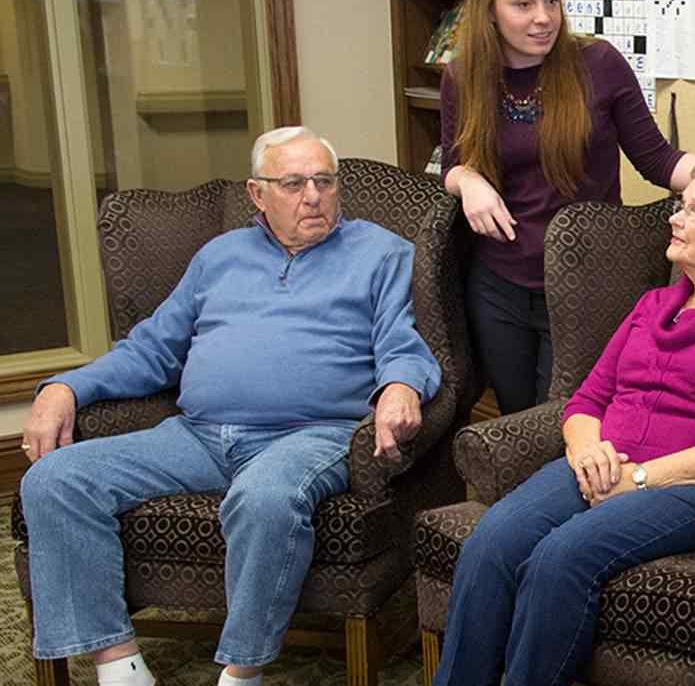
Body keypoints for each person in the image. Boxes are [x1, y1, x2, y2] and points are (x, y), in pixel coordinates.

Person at [19, 127, 442, 686]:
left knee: (264, 495)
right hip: (197, 434)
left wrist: (401, 387)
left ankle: (242, 671)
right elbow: (150, 351)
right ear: (257, 194)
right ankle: (119, 665)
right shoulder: (219, 257)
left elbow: (403, 345)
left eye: (324, 181)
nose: (312, 196)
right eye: (293, 183)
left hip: (311, 435)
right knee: (55, 479)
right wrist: (64, 388)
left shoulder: (383, 253)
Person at [434, 151, 695, 686]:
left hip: (686, 486)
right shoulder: (652, 304)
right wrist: (587, 452)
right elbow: (587, 398)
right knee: (492, 540)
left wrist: (638, 479)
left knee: (559, 559)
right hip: (600, 463)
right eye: (680, 205)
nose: (675, 218)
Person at [439, 0, 695, 415]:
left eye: (552, 1)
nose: (544, 17)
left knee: (566, 422)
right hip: (499, 285)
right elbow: (453, 164)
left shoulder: (598, 64)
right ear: (489, 10)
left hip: (588, 283)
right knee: (517, 424)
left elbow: (658, 160)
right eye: (524, 4)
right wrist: (467, 180)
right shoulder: (462, 77)